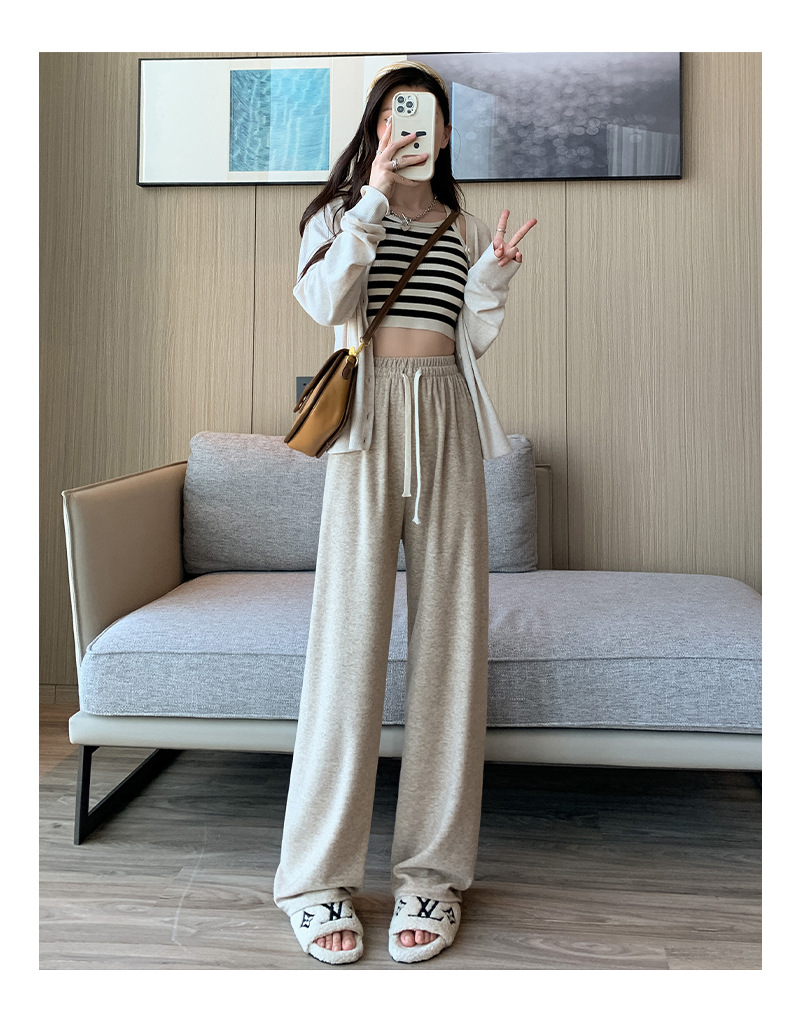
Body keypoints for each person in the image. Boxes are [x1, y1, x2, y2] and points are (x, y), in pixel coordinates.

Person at [273, 60, 537, 965]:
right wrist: (374, 200)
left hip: (446, 417)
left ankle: (433, 874)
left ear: (446, 132)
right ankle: (317, 878)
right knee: (346, 643)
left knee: (451, 645)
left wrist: (492, 276)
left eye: (423, 116)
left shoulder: (462, 225)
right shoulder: (338, 215)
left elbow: (469, 340)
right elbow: (323, 302)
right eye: (393, 116)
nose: (409, 129)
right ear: (376, 128)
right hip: (366, 422)